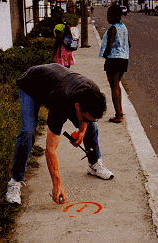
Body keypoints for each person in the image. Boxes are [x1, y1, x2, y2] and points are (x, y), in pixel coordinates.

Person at [6, 63, 114, 205]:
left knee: (92, 127)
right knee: (28, 131)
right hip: (31, 85)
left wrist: (82, 130)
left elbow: (89, 118)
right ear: (77, 107)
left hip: (53, 80)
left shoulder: (93, 92)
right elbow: (50, 149)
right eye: (85, 117)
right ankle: (15, 181)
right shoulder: (60, 102)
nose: (88, 121)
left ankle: (94, 164)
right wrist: (57, 184)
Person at [99, 4, 131, 123]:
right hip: (123, 59)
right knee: (117, 85)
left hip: (113, 59)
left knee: (113, 87)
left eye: (109, 15)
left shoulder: (113, 28)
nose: (107, 17)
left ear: (114, 16)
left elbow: (109, 45)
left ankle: (118, 115)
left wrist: (105, 55)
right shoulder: (124, 28)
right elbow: (129, 44)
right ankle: (120, 110)